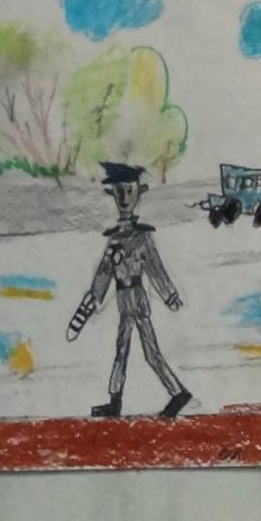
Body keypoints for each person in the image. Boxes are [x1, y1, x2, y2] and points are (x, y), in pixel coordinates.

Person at [67, 160, 190, 420]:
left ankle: (177, 393)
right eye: (119, 191)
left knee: (150, 353)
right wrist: (93, 298)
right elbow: (103, 272)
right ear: (112, 194)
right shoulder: (113, 239)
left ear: (139, 193)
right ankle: (117, 400)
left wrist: (169, 295)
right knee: (122, 351)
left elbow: (155, 269)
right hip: (125, 302)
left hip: (137, 301)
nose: (124, 198)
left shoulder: (143, 237)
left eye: (129, 191)